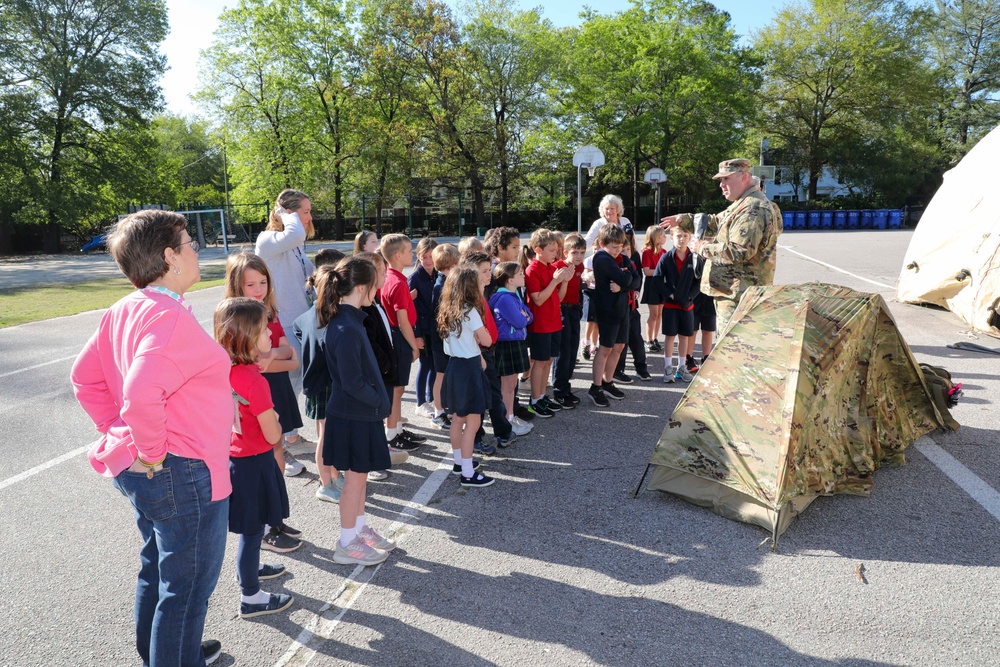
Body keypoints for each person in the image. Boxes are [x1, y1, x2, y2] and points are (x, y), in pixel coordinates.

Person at [71, 210, 230, 666]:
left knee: (160, 568)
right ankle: (174, 656)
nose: (197, 251)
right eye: (190, 244)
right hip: (182, 472)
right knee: (187, 589)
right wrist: (150, 450)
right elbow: (141, 394)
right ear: (169, 257)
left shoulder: (128, 308)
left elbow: (85, 378)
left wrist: (116, 432)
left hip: (162, 470)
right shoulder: (166, 317)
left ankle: (161, 653)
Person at [214, 297, 295, 620]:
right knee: (253, 531)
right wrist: (274, 417)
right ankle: (251, 596)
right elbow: (274, 436)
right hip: (256, 460)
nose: (270, 336)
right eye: (263, 331)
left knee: (253, 527)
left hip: (237, 459)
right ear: (247, 338)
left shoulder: (226, 371)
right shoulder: (254, 381)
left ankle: (251, 569)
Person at [324, 256, 397, 565]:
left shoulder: (352, 320)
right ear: (364, 287)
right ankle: (346, 542)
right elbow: (353, 383)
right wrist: (380, 402)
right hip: (353, 415)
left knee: (361, 477)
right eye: (375, 284)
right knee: (353, 480)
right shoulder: (345, 327)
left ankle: (359, 528)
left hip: (361, 414)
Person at [660, 158, 780, 333]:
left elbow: (739, 251)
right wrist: (683, 219)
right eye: (720, 180)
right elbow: (717, 221)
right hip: (734, 292)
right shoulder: (743, 204)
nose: (721, 185)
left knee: (733, 350)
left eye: (726, 179)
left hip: (739, 295)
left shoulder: (753, 208)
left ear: (744, 177)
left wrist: (701, 247)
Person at [225, 252, 306, 483]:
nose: (258, 289)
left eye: (263, 282)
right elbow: (248, 366)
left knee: (276, 446)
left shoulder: (270, 313)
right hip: (252, 398)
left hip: (276, 389)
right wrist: (272, 360)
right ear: (236, 286)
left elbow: (290, 355)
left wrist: (270, 356)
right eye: (250, 284)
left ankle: (277, 501)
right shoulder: (234, 318)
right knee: (258, 453)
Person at [255, 189, 316, 455]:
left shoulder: (294, 244)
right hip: (281, 322)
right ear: (287, 213)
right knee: (286, 381)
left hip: (298, 320)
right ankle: (282, 440)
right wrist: (286, 215)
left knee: (297, 379)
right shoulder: (268, 239)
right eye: (304, 212)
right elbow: (295, 233)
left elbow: (306, 271)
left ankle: (288, 435)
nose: (309, 217)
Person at [292, 263, 344, 504]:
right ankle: (325, 485)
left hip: (316, 384)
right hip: (327, 385)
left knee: (325, 432)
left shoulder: (304, 317)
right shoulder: (333, 320)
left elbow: (300, 332)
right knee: (325, 435)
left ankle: (333, 475)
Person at [438, 267, 495, 487]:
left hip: (454, 367)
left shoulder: (447, 309)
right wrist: (484, 339)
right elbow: (487, 340)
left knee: (458, 418)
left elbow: (463, 342)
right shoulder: (470, 311)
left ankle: (459, 462)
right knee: (473, 421)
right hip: (469, 370)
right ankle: (468, 474)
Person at [356, 251, 410, 481]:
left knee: (379, 414)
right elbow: (371, 344)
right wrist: (387, 364)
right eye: (380, 271)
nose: (385, 274)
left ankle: (379, 452)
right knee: (370, 418)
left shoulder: (374, 299)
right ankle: (369, 462)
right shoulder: (363, 307)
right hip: (376, 372)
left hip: (383, 371)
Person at [379, 233, 428, 450]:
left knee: (397, 389)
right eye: (409, 251)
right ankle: (392, 435)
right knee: (397, 390)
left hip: (394, 336)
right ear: (398, 255)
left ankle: (397, 429)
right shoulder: (398, 282)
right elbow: (402, 320)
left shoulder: (391, 277)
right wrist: (412, 345)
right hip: (398, 338)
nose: (412, 254)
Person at [587, 224, 638, 407]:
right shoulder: (601, 258)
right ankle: (596, 386)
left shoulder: (623, 258)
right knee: (606, 348)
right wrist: (625, 279)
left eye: (619, 246)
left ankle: (608, 381)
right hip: (607, 310)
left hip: (623, 309)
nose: (617, 251)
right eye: (613, 247)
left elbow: (636, 279)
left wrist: (623, 284)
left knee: (619, 346)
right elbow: (626, 278)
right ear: (602, 244)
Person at [524, 229, 572, 418]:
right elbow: (537, 300)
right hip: (541, 324)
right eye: (551, 250)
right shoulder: (532, 269)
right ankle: (534, 400)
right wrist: (554, 281)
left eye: (556, 249)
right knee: (540, 362)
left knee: (549, 360)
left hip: (553, 322)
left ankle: (542, 395)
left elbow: (558, 298)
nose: (555, 253)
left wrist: (565, 281)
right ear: (538, 249)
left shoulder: (552, 268)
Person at [653, 223, 700, 383]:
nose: (682, 239)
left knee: (685, 336)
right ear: (672, 238)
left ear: (690, 238)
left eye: (685, 236)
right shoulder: (666, 258)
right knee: (670, 336)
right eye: (678, 236)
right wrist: (669, 294)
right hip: (671, 305)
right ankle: (668, 368)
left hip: (687, 305)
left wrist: (690, 297)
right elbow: (657, 279)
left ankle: (682, 366)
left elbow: (699, 281)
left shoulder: (694, 257)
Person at [489, 261, 533, 424]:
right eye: (520, 273)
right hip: (507, 343)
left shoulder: (513, 296)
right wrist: (524, 316)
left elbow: (529, 316)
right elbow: (521, 322)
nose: (523, 275)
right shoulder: (505, 299)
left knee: (512, 384)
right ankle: (506, 419)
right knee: (507, 386)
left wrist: (524, 316)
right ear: (510, 280)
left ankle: (509, 417)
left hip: (514, 342)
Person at [552, 232, 587, 407]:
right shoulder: (558, 267)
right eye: (574, 252)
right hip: (562, 310)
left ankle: (566, 387)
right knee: (563, 352)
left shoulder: (580, 268)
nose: (578, 256)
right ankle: (559, 391)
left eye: (582, 252)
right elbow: (557, 297)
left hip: (574, 310)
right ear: (565, 252)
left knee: (573, 350)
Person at [429, 243, 460, 430]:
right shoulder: (440, 286)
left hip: (447, 337)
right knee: (440, 375)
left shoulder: (448, 282)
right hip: (440, 338)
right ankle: (438, 412)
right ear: (449, 266)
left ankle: (446, 408)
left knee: (447, 375)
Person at [613, 232, 650, 382]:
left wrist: (631, 287)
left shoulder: (632, 264)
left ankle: (641, 368)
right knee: (622, 341)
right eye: (623, 251)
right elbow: (622, 284)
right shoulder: (613, 266)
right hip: (620, 309)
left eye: (628, 250)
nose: (626, 253)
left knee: (637, 339)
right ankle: (618, 370)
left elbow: (636, 281)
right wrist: (627, 285)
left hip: (632, 307)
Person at [408, 237, 438, 419]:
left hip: (435, 329)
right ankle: (420, 402)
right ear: (418, 257)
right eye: (424, 257)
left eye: (431, 257)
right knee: (426, 365)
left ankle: (432, 398)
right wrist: (416, 335)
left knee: (435, 365)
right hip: (423, 329)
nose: (428, 261)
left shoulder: (436, 274)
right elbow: (411, 311)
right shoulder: (415, 278)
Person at [640, 226, 667, 351]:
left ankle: (655, 338)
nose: (665, 237)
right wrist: (661, 272)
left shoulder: (664, 252)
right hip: (652, 285)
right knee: (653, 314)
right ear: (656, 238)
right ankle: (648, 340)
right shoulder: (647, 252)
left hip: (662, 285)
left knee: (660, 313)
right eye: (663, 235)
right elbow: (647, 271)